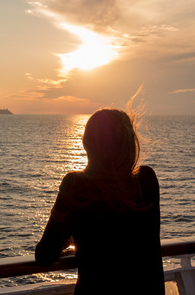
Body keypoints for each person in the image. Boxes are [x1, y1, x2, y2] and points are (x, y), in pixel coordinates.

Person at [35, 106, 164, 294]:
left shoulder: (76, 185)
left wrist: (66, 238)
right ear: (129, 143)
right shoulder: (147, 180)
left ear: (87, 143)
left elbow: (45, 255)